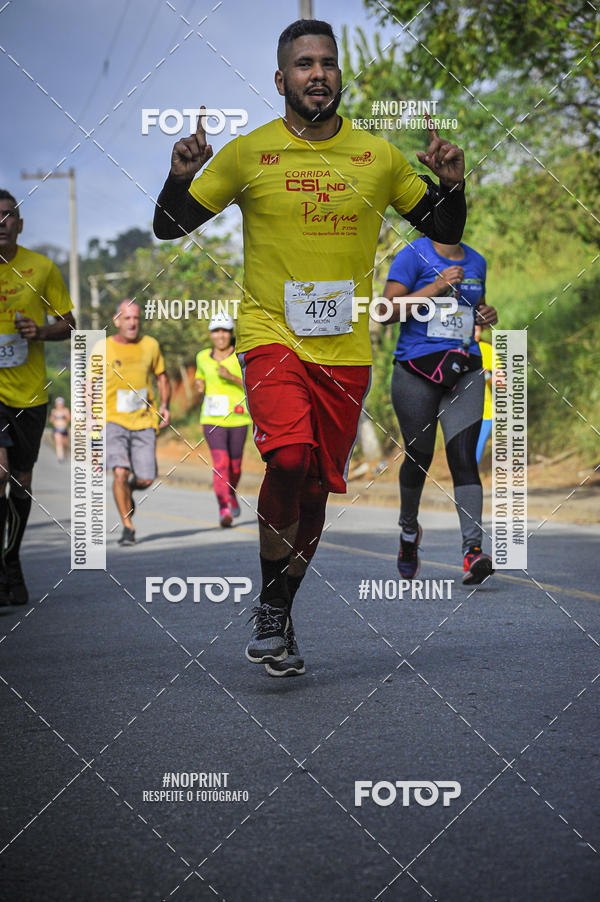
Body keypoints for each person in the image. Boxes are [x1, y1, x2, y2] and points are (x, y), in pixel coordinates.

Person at [153, 19, 468, 676]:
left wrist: (452, 185)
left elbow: (441, 227)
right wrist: (179, 177)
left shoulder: (377, 157)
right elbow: (169, 226)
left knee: (318, 491)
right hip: (270, 335)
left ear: (339, 76)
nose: (317, 73)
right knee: (289, 458)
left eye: (327, 62)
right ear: (281, 80)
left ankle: (281, 611)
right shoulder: (247, 153)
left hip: (345, 350)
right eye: (303, 64)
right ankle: (272, 609)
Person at [381, 235, 498, 585]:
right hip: (416, 370)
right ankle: (408, 531)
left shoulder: (477, 260)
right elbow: (385, 312)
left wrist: (485, 314)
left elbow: (473, 309)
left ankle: (472, 551)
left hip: (465, 368)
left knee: (463, 457)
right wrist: (436, 285)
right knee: (419, 457)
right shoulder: (411, 255)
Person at [0, 189, 75, 605]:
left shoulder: (41, 268)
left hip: (29, 394)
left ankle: (11, 560)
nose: (1, 223)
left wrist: (40, 331)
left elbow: (69, 323)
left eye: (8, 215)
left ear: (20, 224)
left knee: (20, 481)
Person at [101, 300, 171, 546]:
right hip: (113, 420)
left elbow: (162, 377)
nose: (132, 323)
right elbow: (89, 384)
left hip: (144, 420)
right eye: (127, 318)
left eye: (136, 318)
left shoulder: (150, 345)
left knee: (146, 479)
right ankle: (128, 527)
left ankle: (129, 490)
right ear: (117, 320)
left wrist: (165, 405)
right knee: (120, 471)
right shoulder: (103, 347)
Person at [195, 312, 250, 527]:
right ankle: (224, 507)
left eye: (225, 331)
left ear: (230, 333)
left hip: (238, 417)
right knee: (221, 464)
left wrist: (231, 377)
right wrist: (199, 384)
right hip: (212, 418)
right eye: (216, 331)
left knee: (235, 467)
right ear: (210, 333)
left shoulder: (240, 356)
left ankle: (231, 493)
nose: (221, 335)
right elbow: (200, 377)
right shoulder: (202, 357)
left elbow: (251, 384)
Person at [474, 324, 502, 463]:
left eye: (476, 329)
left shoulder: (487, 349)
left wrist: (486, 374)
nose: (473, 332)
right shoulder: (454, 349)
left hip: (485, 412)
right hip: (459, 412)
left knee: (474, 456)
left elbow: (501, 382)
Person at [49, 396, 70, 462]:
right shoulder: (53, 411)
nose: (59, 405)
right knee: (58, 442)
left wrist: (64, 416)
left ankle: (65, 453)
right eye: (58, 404)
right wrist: (54, 419)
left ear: (63, 404)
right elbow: (51, 420)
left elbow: (69, 419)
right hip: (57, 429)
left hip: (64, 429)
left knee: (65, 444)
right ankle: (60, 456)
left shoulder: (66, 410)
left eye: (61, 404)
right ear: (56, 404)